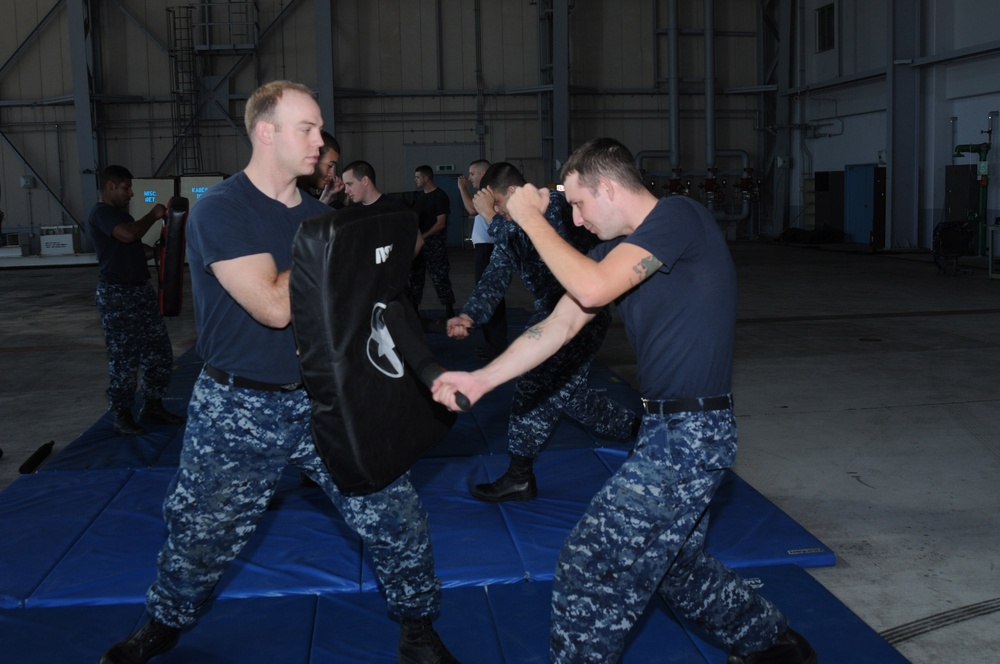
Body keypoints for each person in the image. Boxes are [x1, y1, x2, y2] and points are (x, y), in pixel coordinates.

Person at [99, 81, 458, 664]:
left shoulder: (322, 218)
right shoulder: (223, 209)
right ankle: (164, 621)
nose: (320, 141)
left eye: (319, 128)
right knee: (199, 531)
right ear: (265, 132)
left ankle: (418, 629)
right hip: (238, 405)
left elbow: (363, 309)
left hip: (325, 399)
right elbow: (272, 305)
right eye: (307, 128)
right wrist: (341, 248)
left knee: (397, 514)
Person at [432, 138, 817, 664]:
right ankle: (772, 645)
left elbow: (590, 290)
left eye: (581, 205)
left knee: (591, 563)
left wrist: (531, 218)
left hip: (692, 433)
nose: (579, 219)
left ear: (608, 187)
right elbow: (558, 324)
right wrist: (481, 380)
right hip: (661, 429)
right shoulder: (619, 252)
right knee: (676, 564)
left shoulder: (680, 218)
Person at [445, 162, 638, 503]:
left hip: (581, 314)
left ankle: (519, 477)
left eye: (501, 206)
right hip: (549, 315)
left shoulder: (561, 211)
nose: (500, 214)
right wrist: (470, 315)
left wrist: (491, 218)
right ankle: (636, 430)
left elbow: (534, 242)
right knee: (570, 396)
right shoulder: (512, 225)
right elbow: (496, 274)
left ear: (514, 195)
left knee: (532, 388)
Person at [87, 165, 185, 436]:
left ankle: (152, 405)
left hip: (139, 292)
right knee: (125, 357)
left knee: (159, 351)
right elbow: (128, 235)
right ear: (110, 186)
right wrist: (153, 216)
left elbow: (133, 248)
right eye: (126, 187)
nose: (130, 193)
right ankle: (122, 414)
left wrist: (159, 249)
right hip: (117, 294)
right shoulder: (101, 213)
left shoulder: (120, 215)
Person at [457, 160, 507, 359]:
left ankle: (497, 346)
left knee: (490, 298)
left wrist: (462, 189)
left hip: (489, 250)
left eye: (472, 174)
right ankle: (491, 343)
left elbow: (471, 209)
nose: (469, 178)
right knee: (486, 297)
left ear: (483, 172)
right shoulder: (485, 192)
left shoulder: (489, 192)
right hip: (483, 249)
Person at [409, 165, 455, 317]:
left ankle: (449, 310)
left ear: (426, 178)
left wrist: (425, 235)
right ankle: (414, 310)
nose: (415, 180)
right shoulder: (419, 197)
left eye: (417, 177)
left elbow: (440, 223)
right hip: (419, 245)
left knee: (440, 277)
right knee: (415, 278)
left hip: (435, 245)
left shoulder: (440, 196)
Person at [297, 130, 344, 207]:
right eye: (330, 166)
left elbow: (312, 217)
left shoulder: (303, 195)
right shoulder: (288, 198)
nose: (332, 174)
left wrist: (327, 194)